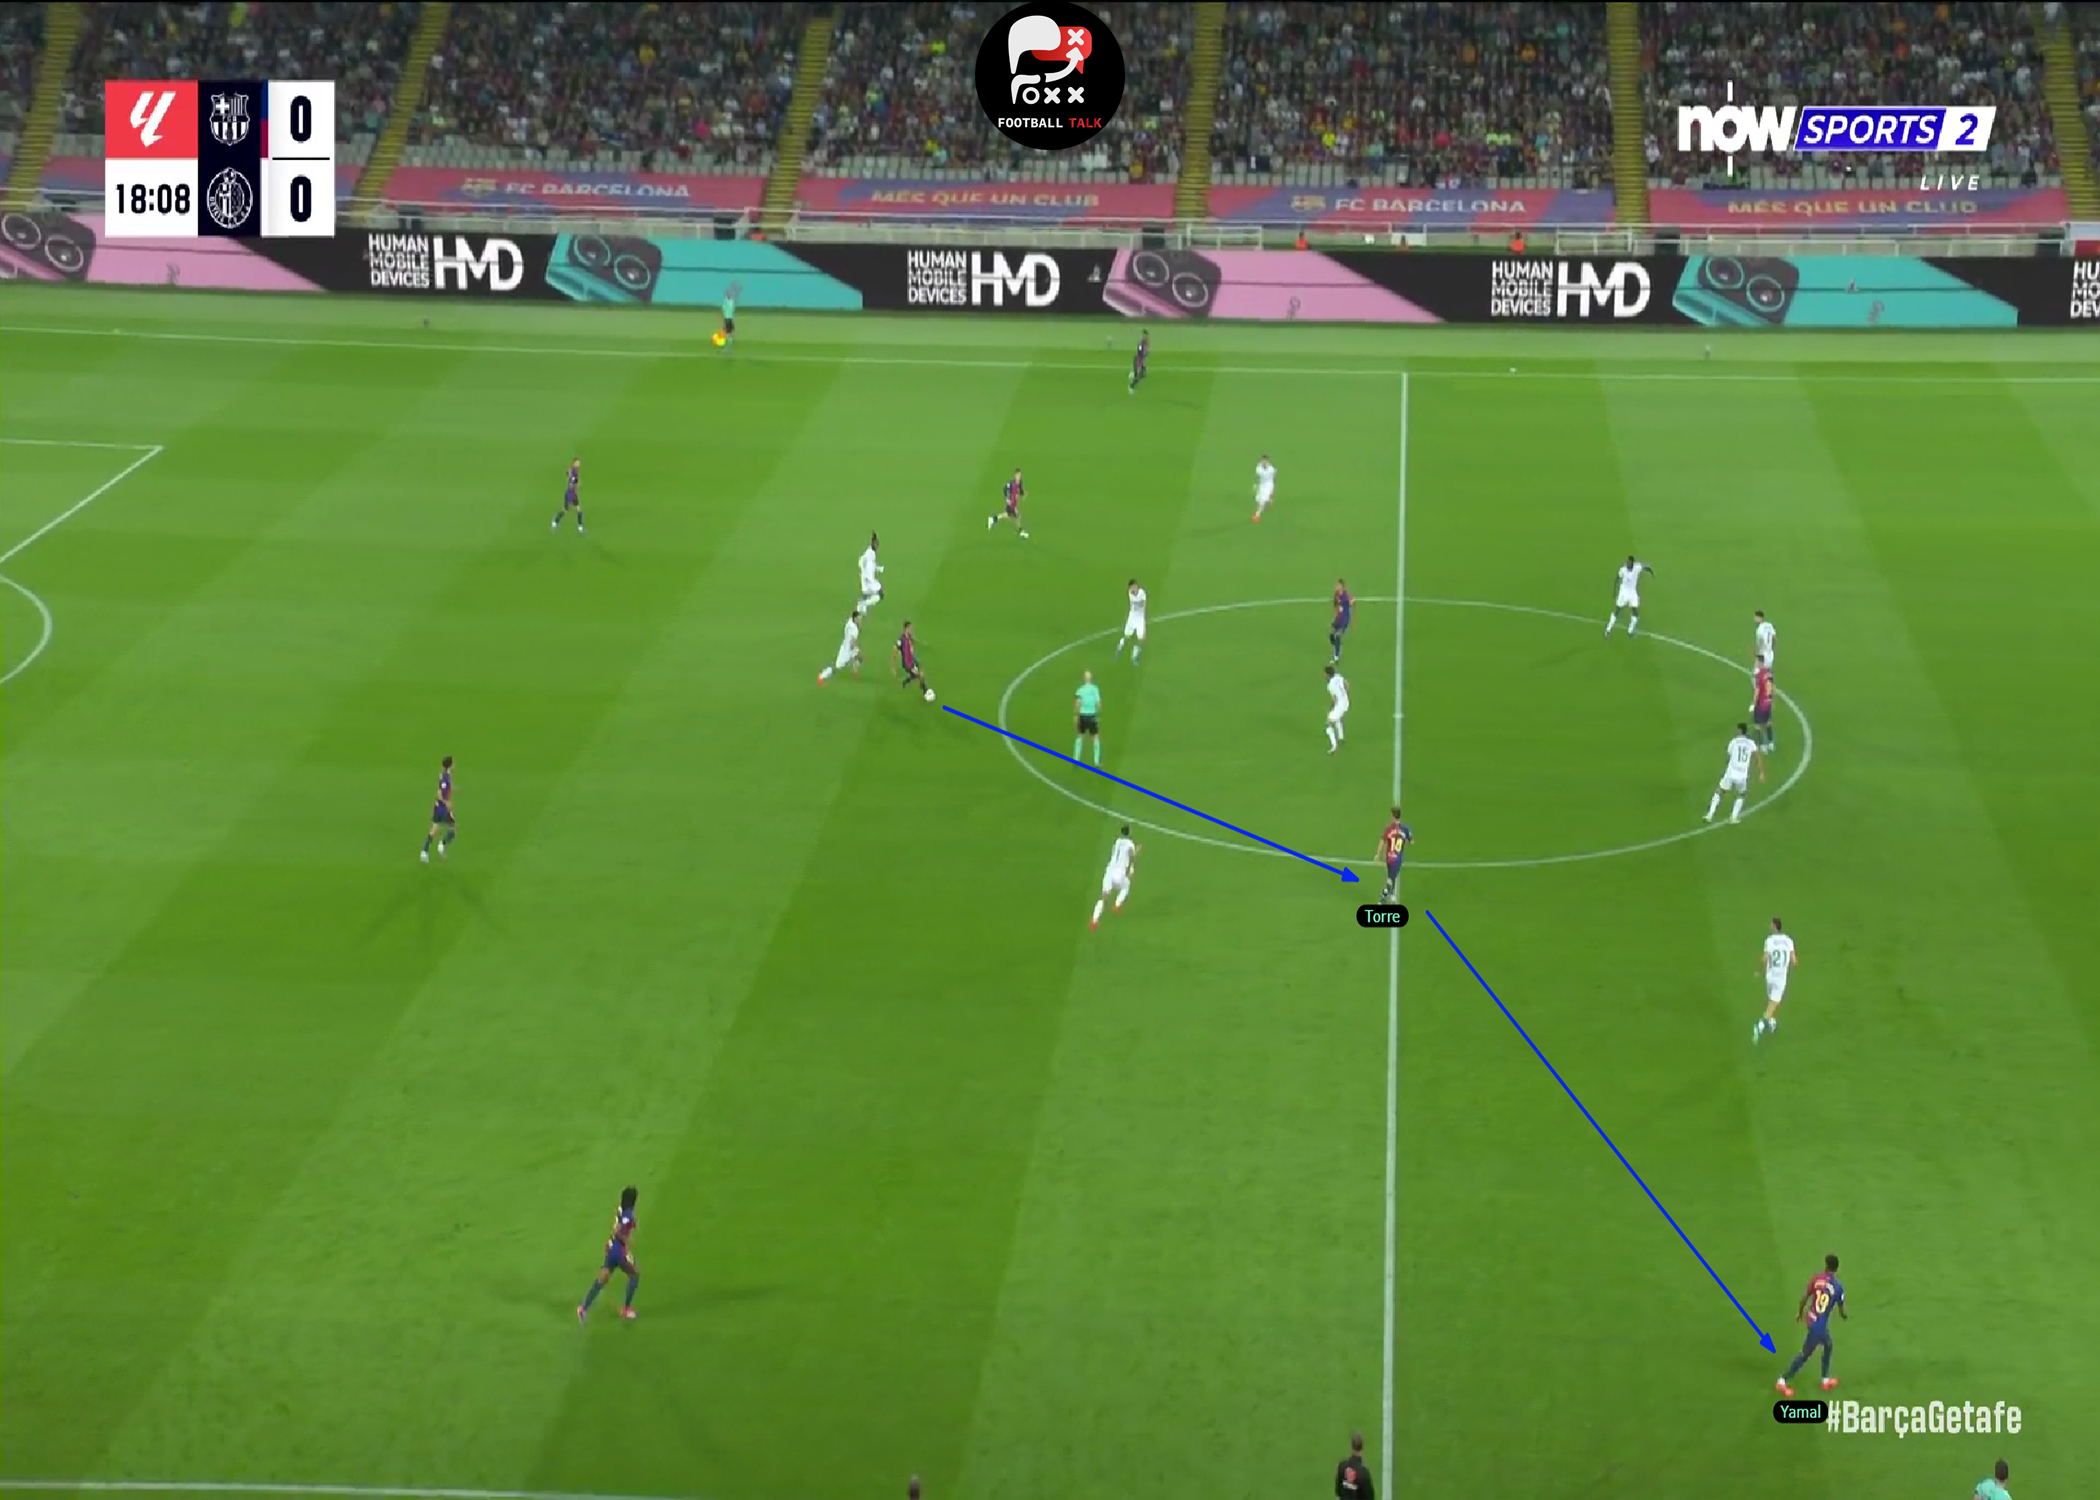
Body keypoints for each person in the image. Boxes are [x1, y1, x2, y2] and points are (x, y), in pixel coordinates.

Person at [1775, 1253, 1845, 1395]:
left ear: (1826, 1265)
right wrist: (1844, 1316)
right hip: (1818, 1327)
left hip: (1811, 1319)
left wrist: (1800, 1313)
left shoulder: (1816, 1278)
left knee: (1828, 1345)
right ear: (1837, 1268)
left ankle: (1825, 1380)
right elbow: (1842, 1310)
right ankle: (1782, 1381)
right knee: (1805, 1355)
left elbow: (1805, 1297)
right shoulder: (1838, 1288)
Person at [577, 1185, 640, 1323]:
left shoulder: (621, 1209)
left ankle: (583, 1308)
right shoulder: (628, 1215)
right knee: (635, 1274)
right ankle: (626, 1310)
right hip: (619, 1251)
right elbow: (619, 1230)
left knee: (603, 1277)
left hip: (611, 1248)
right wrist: (627, 1240)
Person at [1705, 723, 1766, 824]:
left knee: (1720, 791)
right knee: (1742, 794)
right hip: (1742, 775)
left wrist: (1726, 768)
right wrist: (1761, 772)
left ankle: (1710, 815)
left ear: (1740, 731)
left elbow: (1728, 756)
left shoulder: (1733, 742)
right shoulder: (1751, 743)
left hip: (1731, 772)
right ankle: (1733, 817)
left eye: (1737, 729)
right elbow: (1758, 758)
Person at [1752, 917, 1797, 1042]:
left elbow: (1764, 959)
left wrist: (1759, 971)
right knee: (1774, 1003)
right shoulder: (1788, 940)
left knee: (1772, 1000)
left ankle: (1771, 1023)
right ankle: (1760, 1025)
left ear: (1774, 926)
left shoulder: (1769, 940)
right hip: (1780, 978)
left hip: (1770, 976)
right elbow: (1794, 961)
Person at [1090, 824, 1139, 929]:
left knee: (1103, 897)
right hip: (1119, 874)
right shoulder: (1130, 844)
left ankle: (1094, 920)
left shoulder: (1117, 841)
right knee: (1126, 886)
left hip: (1109, 872)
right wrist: (1131, 868)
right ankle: (1117, 904)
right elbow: (1131, 856)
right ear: (1129, 832)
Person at [1604, 556, 1653, 637]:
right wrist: (1614, 591)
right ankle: (1608, 629)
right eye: (1627, 562)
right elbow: (1617, 578)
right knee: (1617, 610)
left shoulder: (1637, 567)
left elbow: (1646, 567)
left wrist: (1651, 571)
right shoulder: (1623, 570)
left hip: (1632, 593)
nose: (1628, 564)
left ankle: (1630, 630)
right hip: (1623, 592)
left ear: (1633, 563)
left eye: (1630, 563)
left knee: (1635, 611)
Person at [420, 756, 456, 863]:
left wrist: (452, 791)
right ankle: (442, 845)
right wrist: (447, 803)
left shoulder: (444, 775)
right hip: (442, 808)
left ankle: (424, 851)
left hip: (438, 807)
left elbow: (444, 790)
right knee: (452, 828)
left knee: (434, 828)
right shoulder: (446, 777)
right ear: (450, 765)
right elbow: (440, 793)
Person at [818, 609, 862, 684]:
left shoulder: (850, 622)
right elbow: (852, 642)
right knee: (837, 667)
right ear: (855, 618)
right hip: (847, 650)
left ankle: (855, 670)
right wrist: (856, 649)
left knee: (860, 658)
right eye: (858, 618)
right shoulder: (854, 629)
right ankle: (822, 676)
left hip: (847, 645)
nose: (859, 620)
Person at [1377, 806, 1411, 903]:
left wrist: (1378, 854)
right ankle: (1384, 897)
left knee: (1391, 877)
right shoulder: (1405, 829)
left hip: (1389, 858)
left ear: (1392, 817)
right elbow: (1410, 841)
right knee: (1391, 878)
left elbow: (1382, 841)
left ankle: (1389, 896)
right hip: (1397, 859)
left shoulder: (1389, 829)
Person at [1112, 579, 1147, 664]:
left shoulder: (1141, 593)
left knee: (1141, 638)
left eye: (1134, 586)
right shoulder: (1131, 593)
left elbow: (1143, 604)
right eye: (1131, 587)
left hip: (1140, 618)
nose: (1133, 588)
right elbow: (1140, 603)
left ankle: (1135, 653)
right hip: (1132, 617)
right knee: (1127, 636)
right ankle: (1121, 645)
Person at [988, 468, 1028, 538]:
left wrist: (1023, 494)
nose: (1019, 477)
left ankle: (993, 519)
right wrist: (1007, 499)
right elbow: (1005, 489)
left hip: (1014, 502)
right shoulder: (1011, 483)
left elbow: (1020, 490)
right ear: (1015, 475)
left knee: (1008, 515)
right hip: (1011, 503)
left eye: (1020, 475)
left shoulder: (1020, 482)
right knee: (1017, 516)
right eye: (1018, 475)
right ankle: (1021, 532)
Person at [1073, 670, 1103, 765]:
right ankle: (1096, 761)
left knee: (1080, 736)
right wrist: (1098, 715)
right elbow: (1098, 704)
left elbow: (1078, 703)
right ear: (1091, 679)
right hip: (1092, 715)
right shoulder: (1095, 689)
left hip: (1082, 715)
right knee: (1095, 737)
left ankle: (1076, 759)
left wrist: (1076, 715)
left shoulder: (1080, 690)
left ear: (1084, 679)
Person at [1335, 1431, 1374, 1500]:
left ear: (1351, 1447)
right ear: (1362, 1448)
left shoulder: (1342, 1466)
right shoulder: (1364, 1473)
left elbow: (1338, 1491)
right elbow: (1370, 1497)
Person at [550, 456, 584, 533]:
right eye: (577, 462)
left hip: (573, 493)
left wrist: (576, 482)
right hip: (570, 494)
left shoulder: (574, 470)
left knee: (579, 509)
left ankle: (580, 526)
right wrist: (577, 483)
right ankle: (555, 522)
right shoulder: (573, 471)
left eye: (579, 463)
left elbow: (569, 475)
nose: (579, 464)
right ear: (574, 463)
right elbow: (572, 481)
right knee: (565, 510)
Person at [1325, 664, 1350, 753]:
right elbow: (1346, 684)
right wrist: (1344, 694)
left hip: (1340, 705)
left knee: (1329, 723)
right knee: (1338, 718)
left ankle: (1334, 746)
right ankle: (1341, 737)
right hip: (1346, 701)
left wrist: (1331, 708)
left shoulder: (1330, 685)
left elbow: (1334, 700)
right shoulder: (1338, 676)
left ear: (1328, 675)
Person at [858, 533, 884, 612]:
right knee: (880, 594)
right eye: (876, 544)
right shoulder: (870, 554)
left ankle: (861, 607)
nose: (878, 546)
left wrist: (878, 569)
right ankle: (863, 604)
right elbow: (864, 563)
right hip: (868, 579)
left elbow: (862, 562)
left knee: (867, 594)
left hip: (866, 578)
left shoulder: (870, 552)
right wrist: (868, 577)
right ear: (873, 543)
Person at [1330, 578, 1353, 664]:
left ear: (1342, 586)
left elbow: (1351, 602)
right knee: (1331, 635)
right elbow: (1336, 607)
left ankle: (1336, 657)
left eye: (1338, 585)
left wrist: (1351, 602)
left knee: (1337, 636)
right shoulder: (1336, 595)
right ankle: (1338, 645)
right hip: (1338, 618)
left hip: (1344, 619)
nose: (1336, 586)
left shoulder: (1346, 595)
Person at [1252, 453, 1277, 522]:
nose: (1264, 462)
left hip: (1268, 485)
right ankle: (1266, 504)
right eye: (1263, 461)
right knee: (1258, 499)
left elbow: (1273, 479)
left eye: (1265, 461)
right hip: (1262, 485)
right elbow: (1257, 477)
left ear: (1268, 461)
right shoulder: (1258, 468)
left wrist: (1272, 490)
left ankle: (1257, 514)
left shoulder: (1271, 469)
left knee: (1263, 500)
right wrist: (1255, 484)